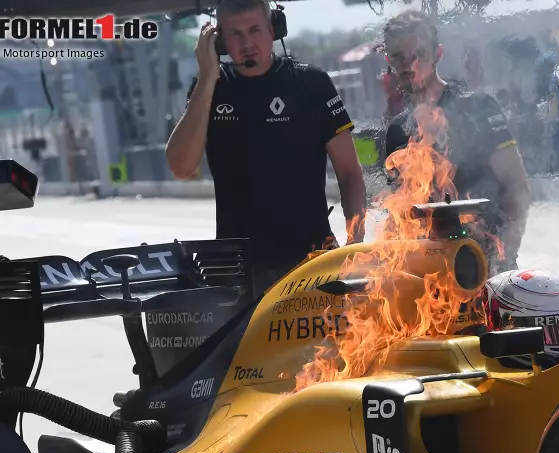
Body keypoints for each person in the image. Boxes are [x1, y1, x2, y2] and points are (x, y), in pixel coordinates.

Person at [164, 0, 366, 296]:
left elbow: (350, 173)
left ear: (274, 29)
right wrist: (208, 77)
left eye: (255, 30)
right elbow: (181, 167)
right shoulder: (209, 88)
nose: (247, 43)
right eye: (235, 34)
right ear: (218, 41)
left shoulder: (311, 83)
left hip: (311, 262)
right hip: (237, 273)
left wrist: (355, 244)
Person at [380, 9, 531, 276]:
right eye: (398, 58)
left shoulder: (478, 108)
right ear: (388, 62)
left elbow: (516, 185)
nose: (408, 65)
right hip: (428, 274)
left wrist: (504, 258)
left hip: (484, 265)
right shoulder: (397, 131)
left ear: (438, 54)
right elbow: (401, 211)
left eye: (418, 55)